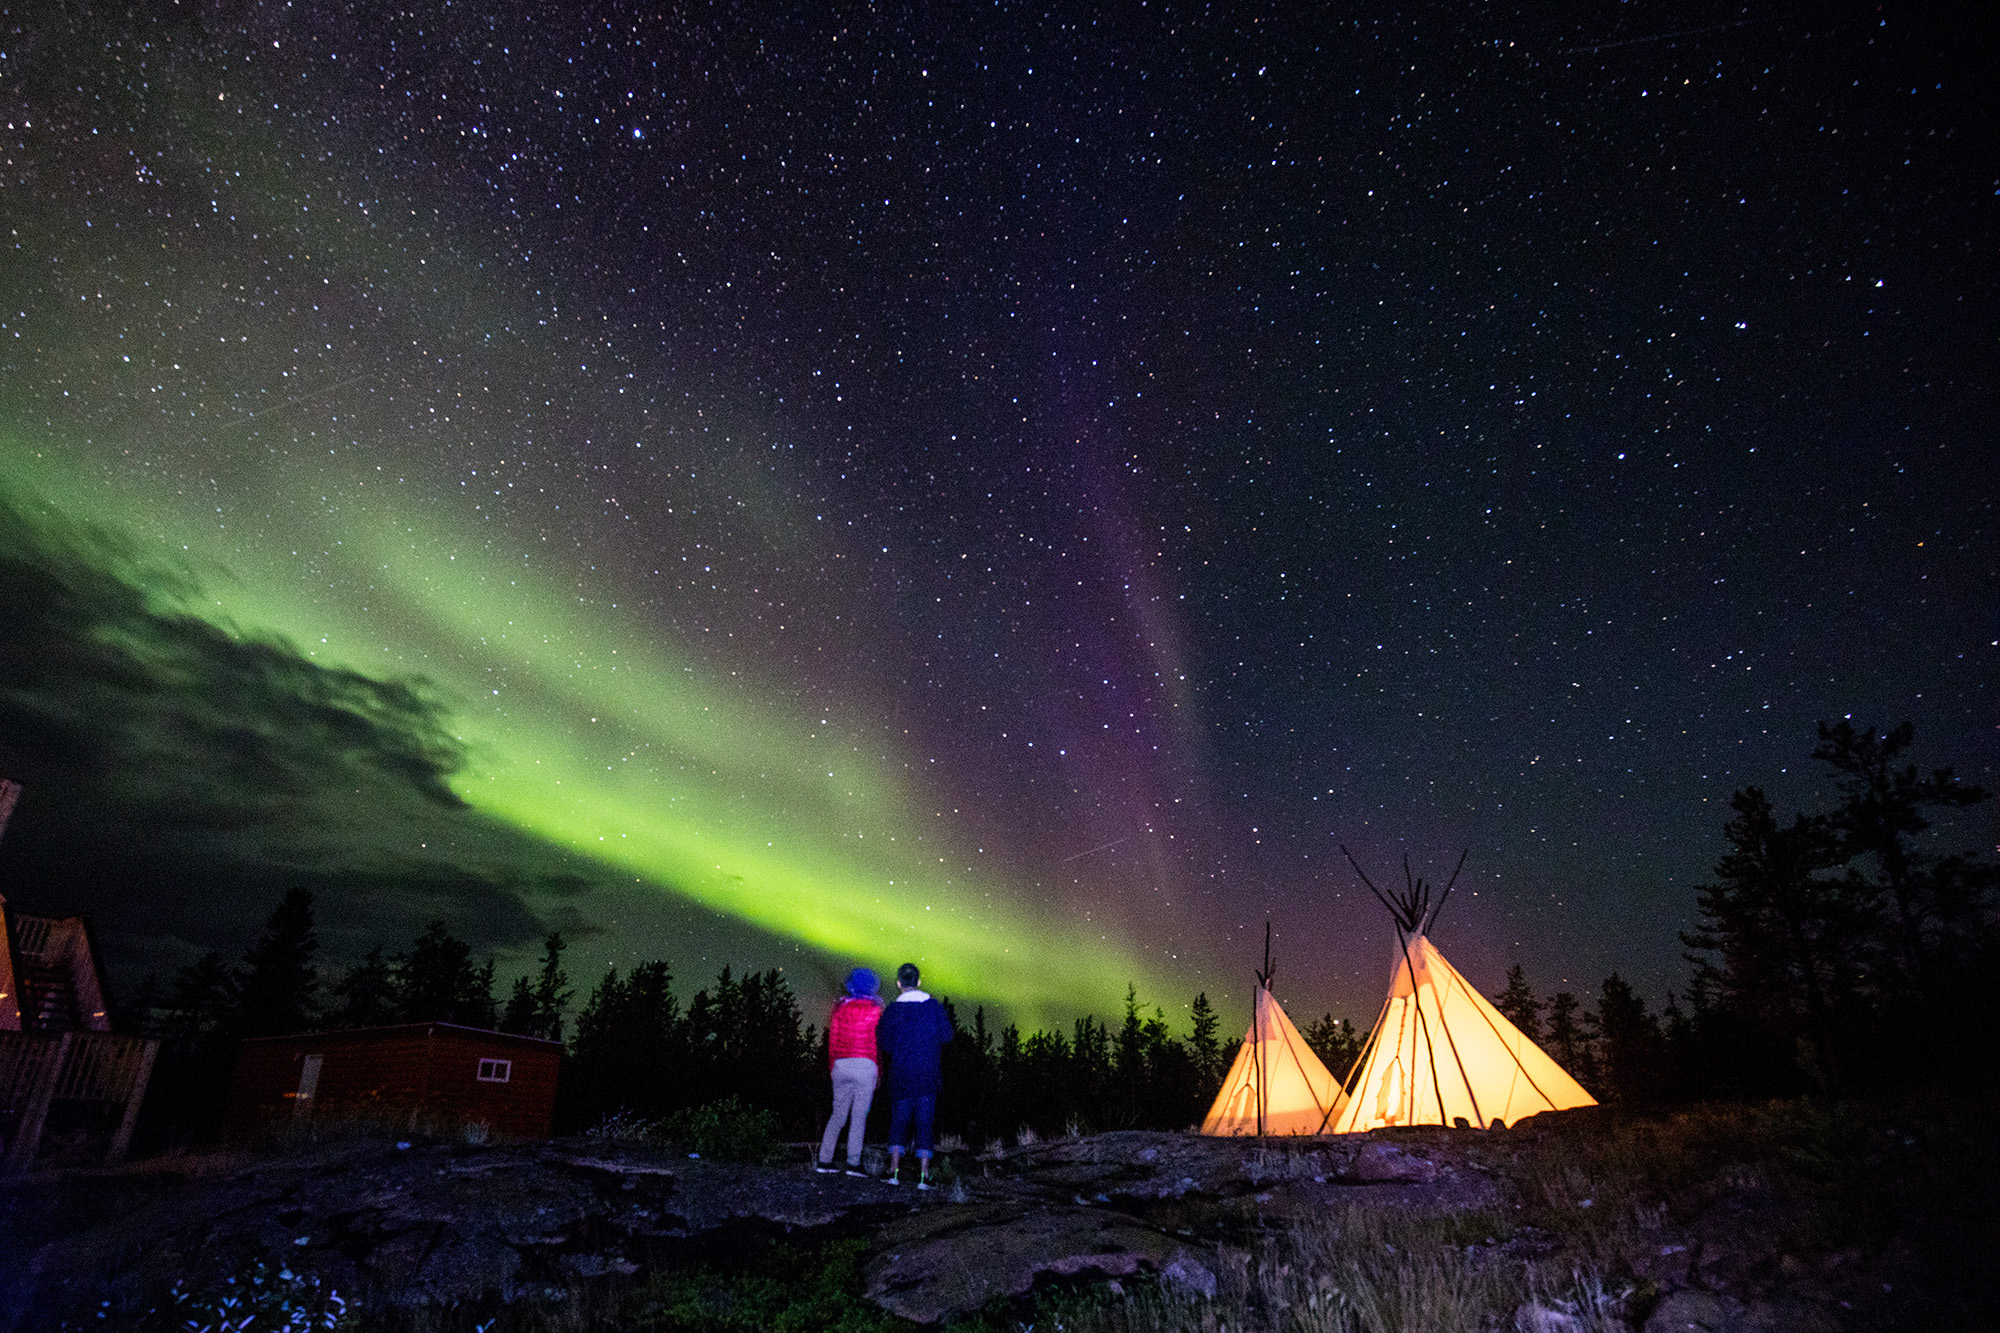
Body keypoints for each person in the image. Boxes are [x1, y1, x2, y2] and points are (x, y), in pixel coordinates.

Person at [875, 961, 953, 1189]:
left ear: (899, 983)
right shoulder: (933, 1007)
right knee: (925, 1124)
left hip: (901, 1074)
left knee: (899, 1122)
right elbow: (947, 1035)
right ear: (918, 981)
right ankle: (924, 1176)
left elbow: (884, 1042)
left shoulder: (892, 1010)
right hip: (928, 1074)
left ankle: (894, 1173)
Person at [817, 967, 883, 1176]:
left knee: (838, 1115)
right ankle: (853, 1163)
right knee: (858, 1117)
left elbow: (833, 1040)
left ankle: (824, 1160)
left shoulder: (839, 1008)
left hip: (841, 1065)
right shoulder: (876, 1009)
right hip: (865, 1064)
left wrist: (832, 1066)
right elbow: (877, 1043)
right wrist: (879, 1070)